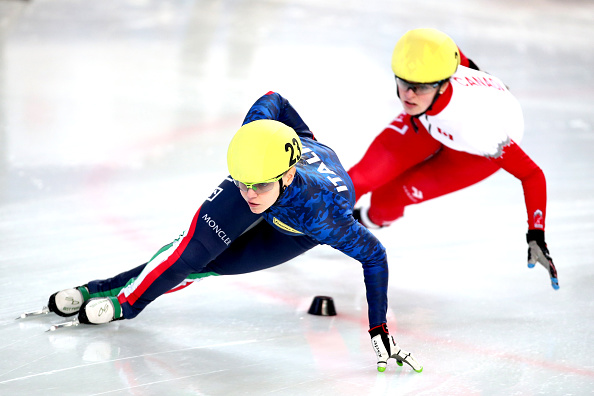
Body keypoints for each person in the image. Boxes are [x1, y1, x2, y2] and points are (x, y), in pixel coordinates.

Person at [44, 91, 422, 373]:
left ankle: (122, 302)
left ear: (288, 175)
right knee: (188, 251)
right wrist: (263, 153)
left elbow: (375, 256)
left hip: (294, 226)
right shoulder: (255, 163)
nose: (248, 195)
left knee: (209, 265)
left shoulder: (323, 217)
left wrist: (378, 327)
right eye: (242, 183)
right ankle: (102, 291)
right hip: (279, 165)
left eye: (257, 187)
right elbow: (274, 99)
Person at [348, 28, 559, 290]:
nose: (408, 95)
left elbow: (532, 174)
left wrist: (536, 235)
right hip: (430, 120)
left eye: (421, 87)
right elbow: (460, 58)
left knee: (387, 199)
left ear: (444, 83)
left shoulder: (478, 128)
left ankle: (366, 219)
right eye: (403, 82)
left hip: (472, 153)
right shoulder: (438, 61)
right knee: (357, 180)